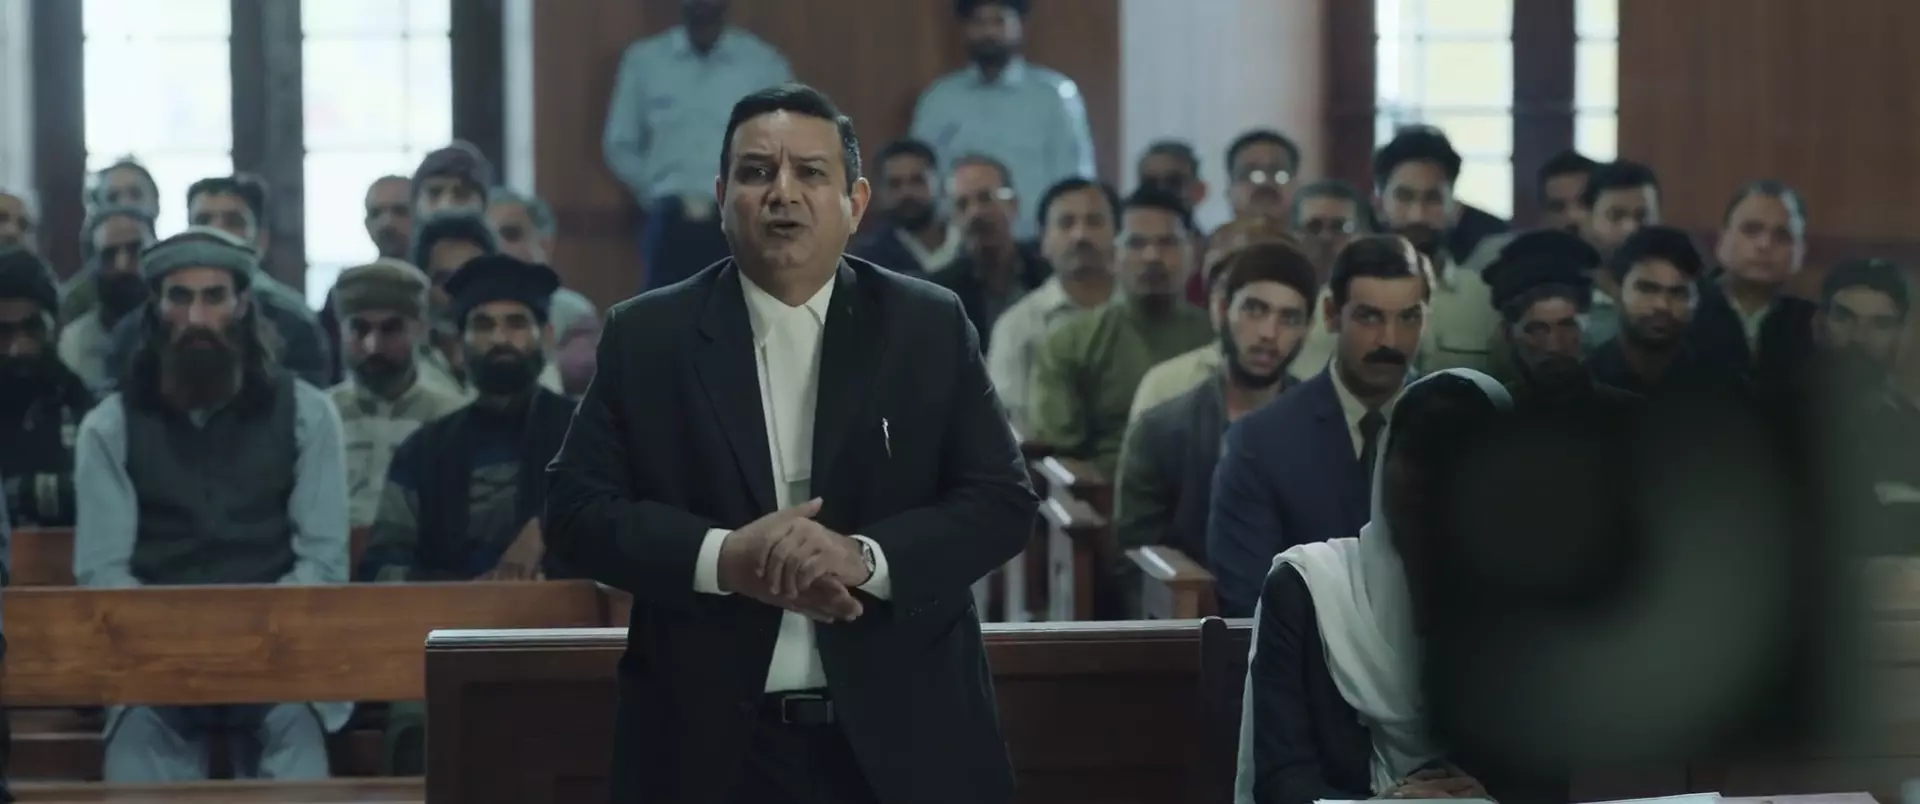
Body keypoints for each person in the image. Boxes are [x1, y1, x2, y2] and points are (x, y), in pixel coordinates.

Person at [544, 83, 1036, 803]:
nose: (782, 193)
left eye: (810, 172)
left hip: (907, 737)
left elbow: (1002, 502)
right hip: (707, 746)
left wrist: (864, 557)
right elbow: (574, 512)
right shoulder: (649, 336)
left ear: (855, 202)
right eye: (756, 172)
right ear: (722, 198)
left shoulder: (925, 325)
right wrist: (724, 558)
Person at [72, 229, 350, 781]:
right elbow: (105, 576)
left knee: (300, 766)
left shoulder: (309, 415)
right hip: (154, 665)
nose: (197, 318)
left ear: (242, 305)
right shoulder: (109, 426)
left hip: (278, 659)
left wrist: (244, 642)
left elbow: (322, 564)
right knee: (133, 767)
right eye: (180, 297)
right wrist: (185, 647)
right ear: (156, 310)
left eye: (214, 297)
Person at [1235, 369, 1519, 804]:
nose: (1429, 481)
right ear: (1385, 460)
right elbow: (1280, 781)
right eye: (1416, 455)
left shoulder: (1526, 607)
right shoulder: (1309, 588)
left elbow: (1543, 782)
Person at [358, 255, 579, 775]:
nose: (500, 338)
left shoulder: (589, 434)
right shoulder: (425, 450)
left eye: (516, 323)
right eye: (483, 324)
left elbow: (627, 537)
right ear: (460, 345)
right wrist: (467, 594)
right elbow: (382, 569)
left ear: (545, 336)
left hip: (563, 641)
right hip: (446, 642)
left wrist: (545, 535)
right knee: (421, 732)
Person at [1207, 235, 1427, 617]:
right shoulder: (1260, 443)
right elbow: (1251, 603)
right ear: (1330, 314)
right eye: (1369, 317)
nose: (1389, 340)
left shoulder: (1458, 429)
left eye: (1408, 318)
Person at [1115, 241, 1317, 585]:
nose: (1269, 333)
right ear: (1223, 310)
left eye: (1289, 318)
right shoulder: (1161, 430)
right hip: (1189, 612)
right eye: (1254, 310)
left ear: (1308, 329)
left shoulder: (1323, 429)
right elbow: (1132, 562)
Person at [604, 0, 793, 288]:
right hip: (668, 218)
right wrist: (653, 191)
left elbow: (788, 140)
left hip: (740, 217)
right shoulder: (645, 62)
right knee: (662, 312)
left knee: (739, 310)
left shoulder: (763, 65)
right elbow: (620, 143)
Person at [1029, 187, 1214, 478]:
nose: (1152, 256)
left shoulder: (1216, 337)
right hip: (1103, 492)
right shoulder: (1070, 343)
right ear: (1113, 255)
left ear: (1193, 253)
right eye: (1136, 243)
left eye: (1167, 243)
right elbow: (1058, 454)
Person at [911, 0, 1096, 240]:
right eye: (979, 22)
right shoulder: (939, 100)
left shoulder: (1054, 97)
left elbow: (1076, 181)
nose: (989, 32)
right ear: (966, 29)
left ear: (1019, 26)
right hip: (959, 245)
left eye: (999, 21)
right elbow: (923, 178)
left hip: (1036, 244)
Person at [327, 259, 468, 528]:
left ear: (421, 330)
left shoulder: (450, 417)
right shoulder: (321, 415)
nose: (373, 346)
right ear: (341, 331)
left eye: (390, 329)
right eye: (360, 329)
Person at [0, 247, 93, 527]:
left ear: (54, 326)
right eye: (3, 333)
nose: (18, 348)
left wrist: (21, 492)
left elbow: (101, 494)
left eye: (32, 328)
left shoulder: (83, 405)